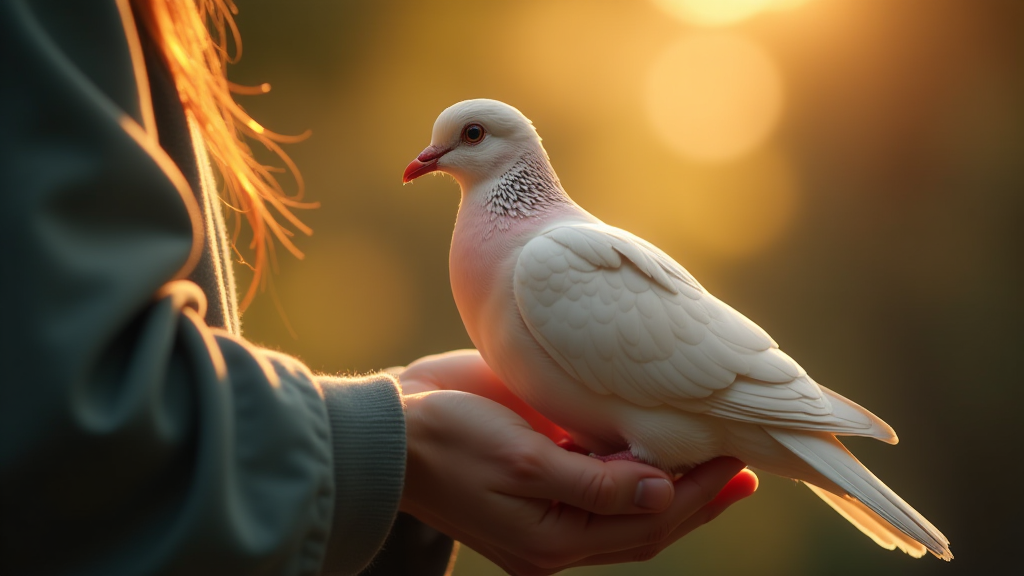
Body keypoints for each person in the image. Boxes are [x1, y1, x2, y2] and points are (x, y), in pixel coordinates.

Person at [0, 1, 757, 575]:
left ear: (510, 151)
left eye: (464, 140)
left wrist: (399, 419)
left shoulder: (555, 258)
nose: (432, 156)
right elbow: (64, 421)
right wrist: (398, 442)